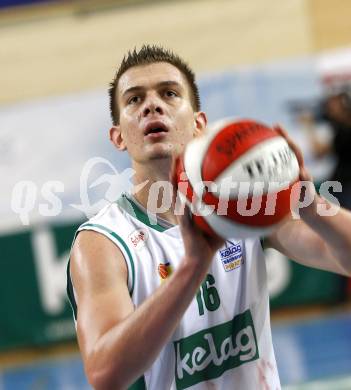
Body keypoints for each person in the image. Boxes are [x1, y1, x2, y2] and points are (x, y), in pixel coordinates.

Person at [67, 45, 351, 390]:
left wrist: (311, 206)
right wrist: (191, 269)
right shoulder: (102, 243)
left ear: (199, 123)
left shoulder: (245, 210)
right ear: (118, 136)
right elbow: (104, 373)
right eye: (134, 100)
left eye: (169, 93)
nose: (152, 105)